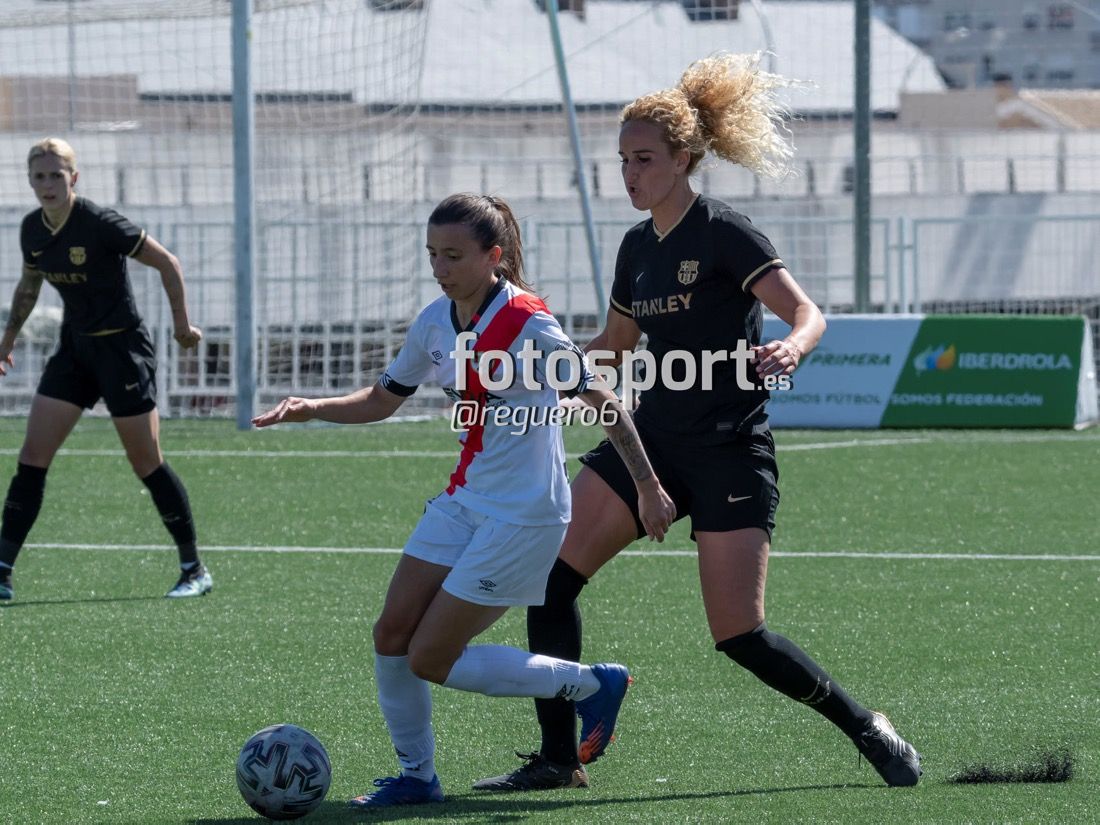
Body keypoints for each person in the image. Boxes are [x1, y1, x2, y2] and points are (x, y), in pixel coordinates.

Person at [474, 53, 922, 792]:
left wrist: (793, 345)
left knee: (740, 634)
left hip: (730, 451)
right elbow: (617, 346)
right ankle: (558, 760)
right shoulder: (635, 247)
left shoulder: (723, 231)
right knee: (548, 582)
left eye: (644, 159)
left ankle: (865, 725)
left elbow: (808, 313)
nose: (629, 174)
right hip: (653, 440)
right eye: (623, 160)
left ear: (683, 159)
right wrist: (536, 373)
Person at [252, 193, 676, 809]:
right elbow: (383, 399)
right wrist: (312, 407)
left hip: (525, 515)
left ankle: (589, 685)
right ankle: (417, 777)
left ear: (493, 256)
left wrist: (647, 486)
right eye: (432, 254)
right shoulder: (434, 322)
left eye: (452, 255)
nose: (439, 267)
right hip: (465, 499)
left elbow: (603, 401)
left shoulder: (529, 324)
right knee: (391, 634)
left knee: (429, 657)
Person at [0, 137, 211, 601]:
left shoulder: (99, 223)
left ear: (73, 178)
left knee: (146, 463)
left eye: (57, 175)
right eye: (39, 176)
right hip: (75, 352)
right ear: (30, 181)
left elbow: (167, 263)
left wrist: (182, 327)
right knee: (32, 457)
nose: (48, 184)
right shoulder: (32, 228)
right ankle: (2, 572)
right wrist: (8, 338)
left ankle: (193, 569)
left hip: (122, 351)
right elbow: (29, 285)